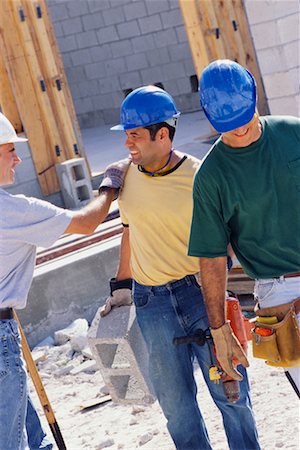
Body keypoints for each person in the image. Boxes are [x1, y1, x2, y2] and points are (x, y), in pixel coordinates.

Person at [101, 85, 260, 450]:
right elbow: (130, 231)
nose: (128, 145)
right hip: (153, 305)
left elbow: (231, 240)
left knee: (233, 397)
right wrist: (121, 285)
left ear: (163, 134)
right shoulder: (126, 179)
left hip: (202, 296)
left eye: (135, 136)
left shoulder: (200, 177)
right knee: (177, 409)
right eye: (126, 137)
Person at [0, 111, 130, 450]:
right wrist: (110, 186)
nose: (17, 158)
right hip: (1, 338)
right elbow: (86, 223)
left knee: (29, 431)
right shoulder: (14, 211)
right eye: (8, 151)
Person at [188, 59, 300, 396]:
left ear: (255, 98)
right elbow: (209, 258)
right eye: (229, 124)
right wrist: (219, 330)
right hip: (280, 294)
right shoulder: (210, 177)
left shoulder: (293, 133)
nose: (240, 129)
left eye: (244, 118)